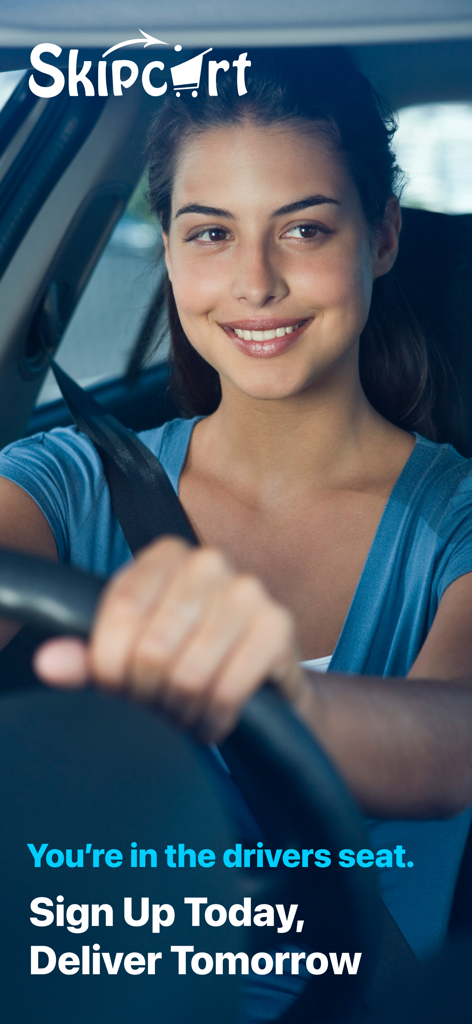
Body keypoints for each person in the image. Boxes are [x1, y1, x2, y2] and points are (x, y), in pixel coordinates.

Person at [0, 48, 471, 977]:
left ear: (381, 237)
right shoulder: (64, 479)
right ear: (168, 247)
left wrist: (278, 701)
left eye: (303, 231)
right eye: (210, 234)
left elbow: (455, 734)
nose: (254, 283)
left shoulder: (456, 519)